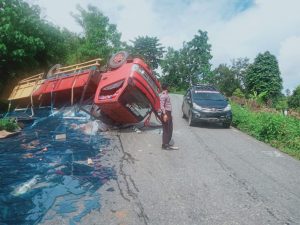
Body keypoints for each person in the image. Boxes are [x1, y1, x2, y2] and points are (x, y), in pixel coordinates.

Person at [160, 83, 178, 150]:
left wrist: (170, 115)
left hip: (168, 113)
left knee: (169, 129)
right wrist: (165, 114)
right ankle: (165, 145)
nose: (169, 87)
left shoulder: (166, 94)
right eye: (168, 86)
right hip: (166, 113)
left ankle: (166, 143)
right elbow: (162, 106)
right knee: (166, 130)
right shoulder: (163, 95)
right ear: (166, 87)